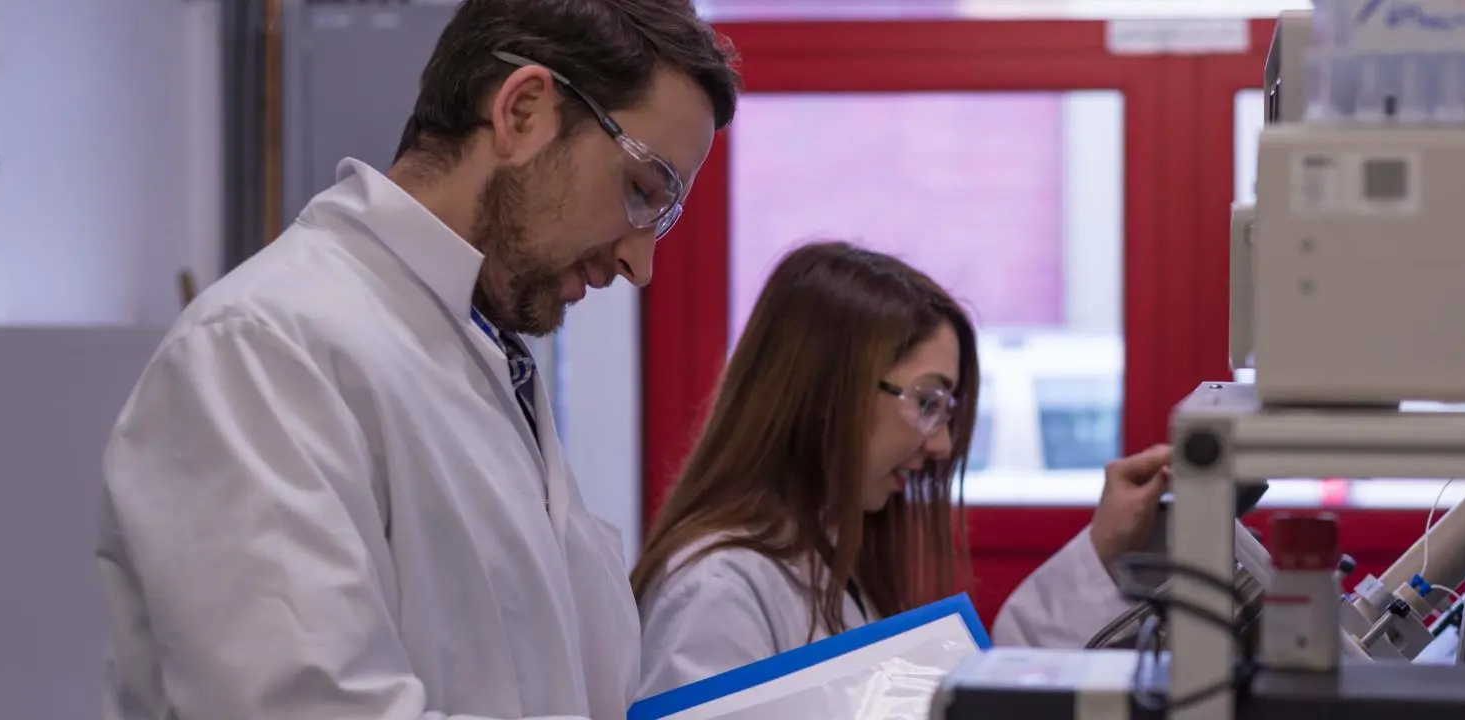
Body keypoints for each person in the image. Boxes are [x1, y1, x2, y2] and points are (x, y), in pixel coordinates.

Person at [94, 1, 739, 718]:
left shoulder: (481, 355)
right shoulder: (263, 349)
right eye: (642, 190)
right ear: (522, 112)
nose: (638, 263)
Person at [630, 241, 1173, 698]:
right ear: (824, 392)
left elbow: (964, 699)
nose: (940, 445)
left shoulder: (827, 556)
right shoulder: (715, 590)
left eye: (947, 410)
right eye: (927, 402)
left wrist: (1104, 547)